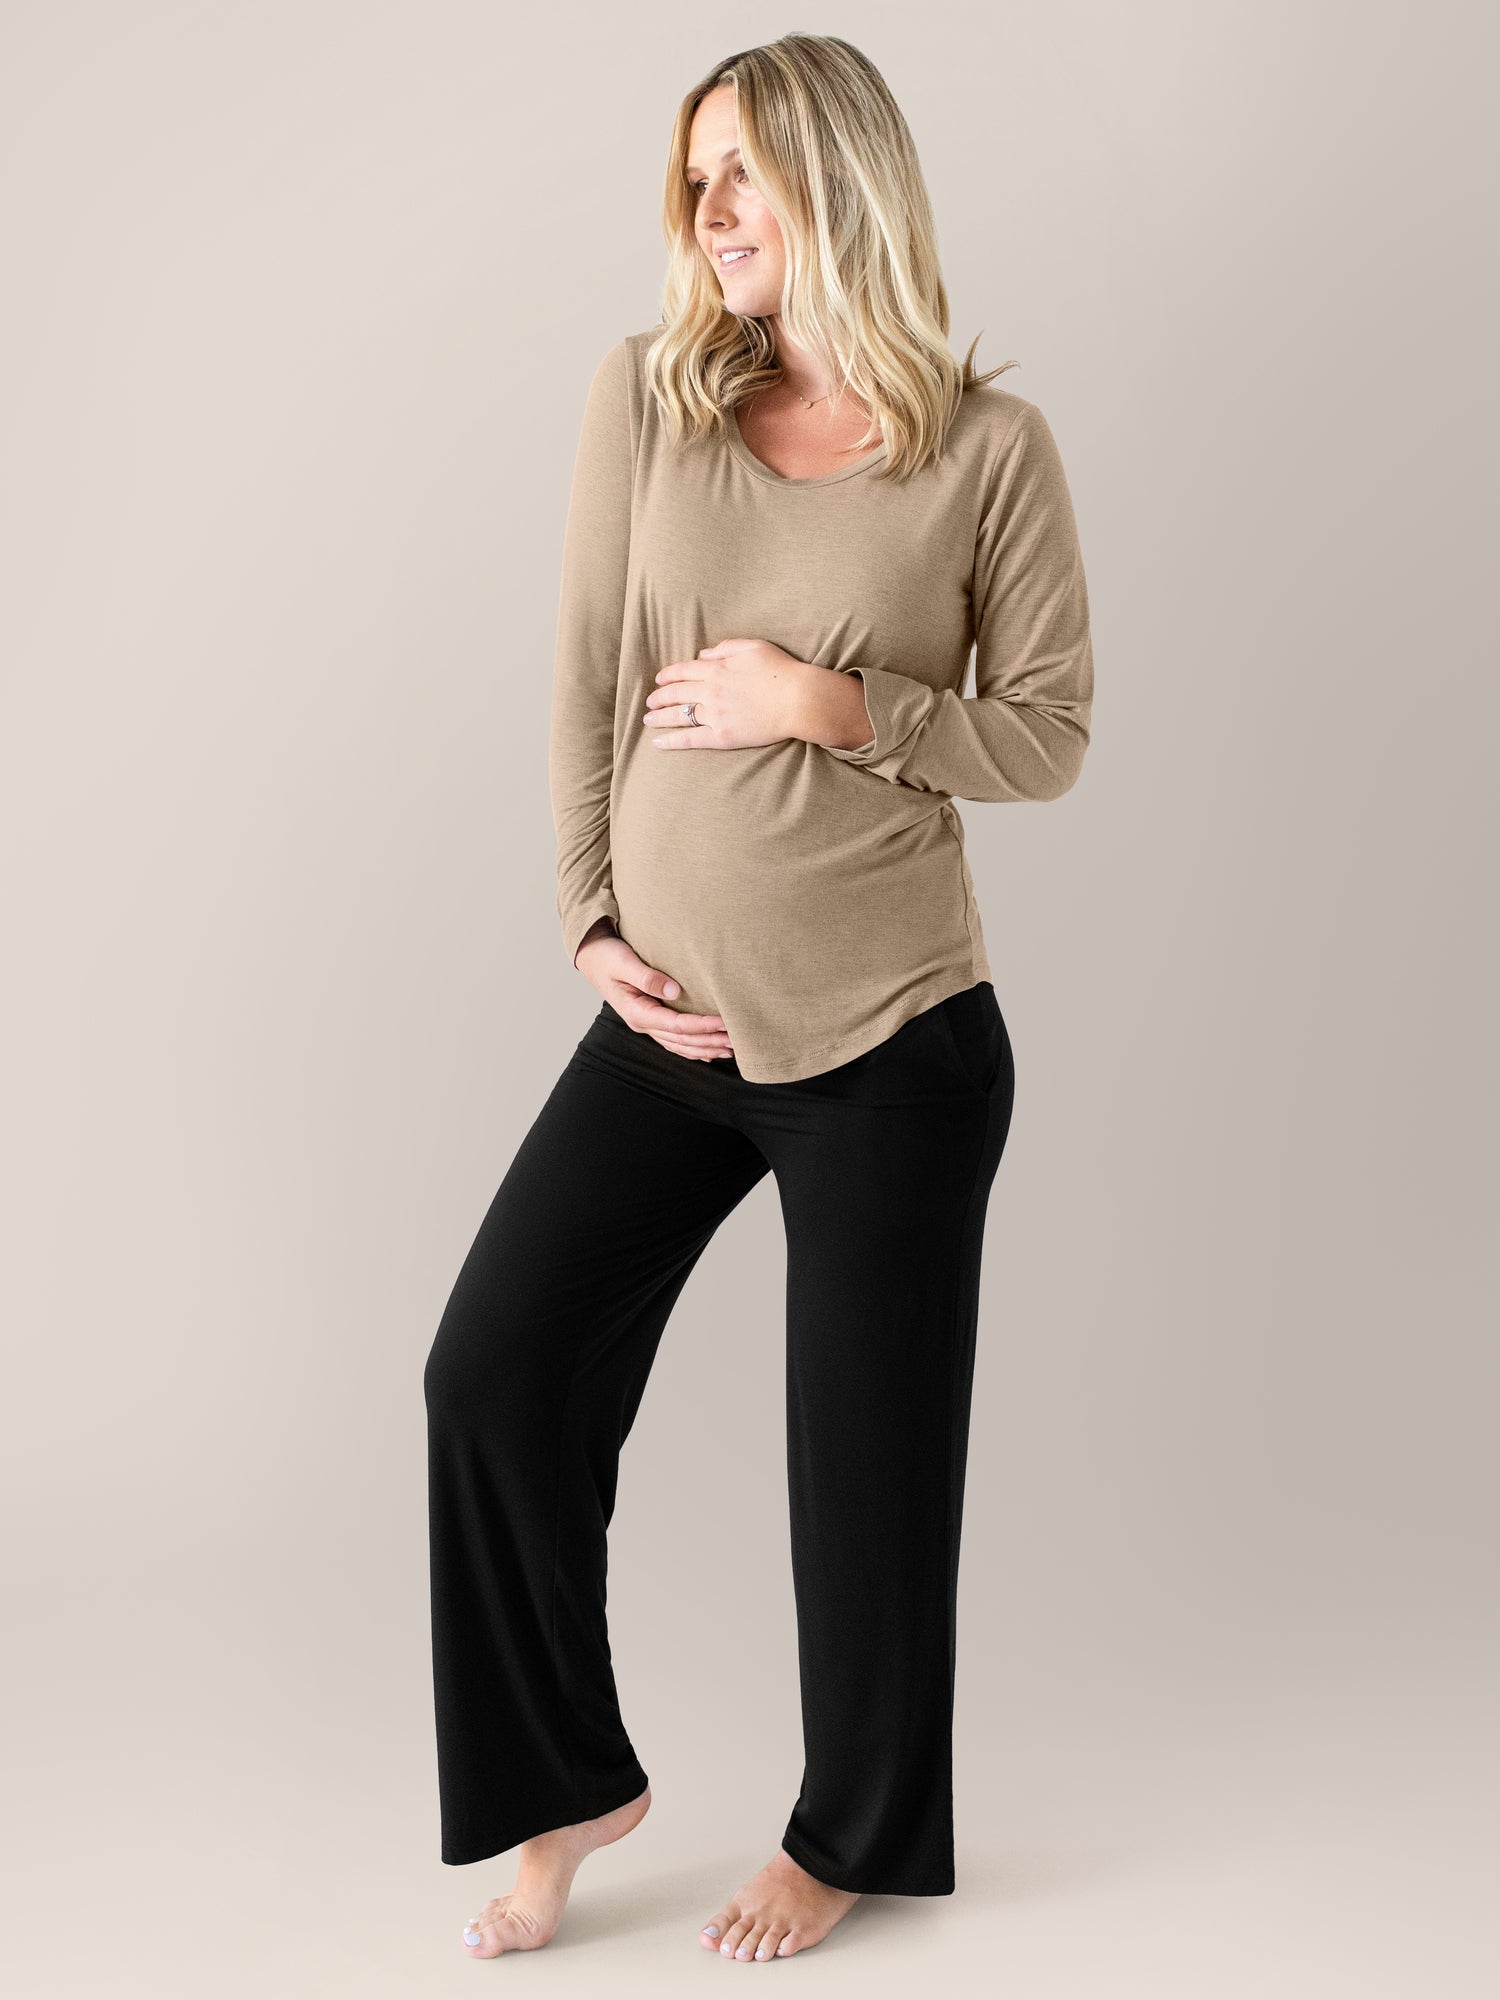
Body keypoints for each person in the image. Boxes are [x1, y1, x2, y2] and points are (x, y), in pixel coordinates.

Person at [423, 31, 1094, 1965]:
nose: (708, 210)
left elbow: (1049, 735)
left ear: (841, 184)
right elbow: (584, 667)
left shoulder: (989, 452)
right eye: (695, 174)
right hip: (669, 1032)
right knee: (494, 1373)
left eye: (744, 173)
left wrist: (835, 704)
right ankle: (564, 1781)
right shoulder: (653, 400)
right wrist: (588, 920)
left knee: (864, 1471)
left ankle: (852, 1835)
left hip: (893, 1040)